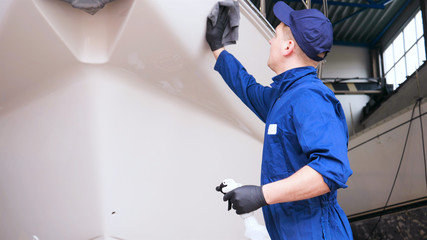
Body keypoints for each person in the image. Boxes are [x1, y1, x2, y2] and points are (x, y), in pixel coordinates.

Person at [206, 1, 354, 239]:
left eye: (274, 35)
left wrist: (261, 195)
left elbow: (330, 170)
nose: (269, 41)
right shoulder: (284, 97)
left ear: (288, 46)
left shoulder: (310, 97)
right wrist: (218, 48)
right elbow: (248, 88)